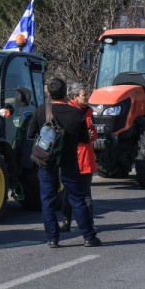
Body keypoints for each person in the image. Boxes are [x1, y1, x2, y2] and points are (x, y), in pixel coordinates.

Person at [27, 77, 100, 248]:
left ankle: (52, 238)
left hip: (46, 160)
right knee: (78, 198)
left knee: (47, 200)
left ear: (48, 93)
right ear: (66, 92)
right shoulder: (75, 113)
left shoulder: (41, 111)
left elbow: (30, 134)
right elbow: (84, 139)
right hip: (69, 160)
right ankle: (89, 237)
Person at [60, 84, 97, 232]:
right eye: (83, 95)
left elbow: (93, 133)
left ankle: (90, 224)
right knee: (68, 192)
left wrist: (90, 136)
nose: (86, 97)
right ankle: (66, 221)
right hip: (72, 156)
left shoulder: (89, 111)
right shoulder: (68, 112)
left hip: (86, 158)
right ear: (75, 97)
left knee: (86, 193)